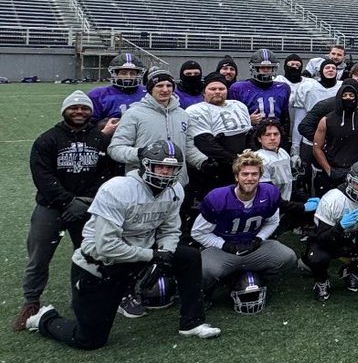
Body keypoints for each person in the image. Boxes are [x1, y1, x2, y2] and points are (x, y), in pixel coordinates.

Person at [25, 140, 220, 347]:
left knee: (188, 256)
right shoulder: (117, 189)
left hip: (140, 253)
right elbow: (106, 246)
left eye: (171, 168)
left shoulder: (175, 190)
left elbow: (170, 230)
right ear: (145, 165)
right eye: (160, 166)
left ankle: (192, 322)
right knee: (89, 339)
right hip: (100, 263)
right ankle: (45, 318)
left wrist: (164, 254)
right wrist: (152, 256)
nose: (165, 173)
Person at [14, 91, 119, 331]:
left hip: (87, 207)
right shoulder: (48, 139)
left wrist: (84, 201)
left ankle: (84, 298)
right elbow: (42, 175)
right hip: (50, 208)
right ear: (64, 111)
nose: (79, 112)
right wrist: (65, 201)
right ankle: (31, 301)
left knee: (89, 255)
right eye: (74, 108)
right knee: (38, 256)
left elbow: (108, 173)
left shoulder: (100, 139)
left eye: (84, 108)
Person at [191, 151, 298, 304]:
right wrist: (223, 244)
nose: (250, 178)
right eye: (245, 174)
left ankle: (257, 278)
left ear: (260, 176)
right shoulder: (218, 198)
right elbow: (197, 232)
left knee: (288, 257)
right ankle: (222, 283)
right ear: (236, 176)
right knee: (203, 269)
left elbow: (273, 222)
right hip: (223, 251)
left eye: (254, 174)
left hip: (252, 248)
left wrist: (258, 239)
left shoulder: (269, 193)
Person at [304, 160, 358, 300]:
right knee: (317, 257)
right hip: (328, 239)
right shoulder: (333, 199)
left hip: (353, 237)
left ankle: (350, 270)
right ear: (350, 181)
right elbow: (321, 238)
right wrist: (340, 227)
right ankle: (321, 280)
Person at [89, 51, 146, 122]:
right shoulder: (98, 94)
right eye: (123, 73)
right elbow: (92, 124)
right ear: (115, 74)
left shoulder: (147, 92)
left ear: (138, 74)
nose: (128, 76)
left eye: (132, 73)